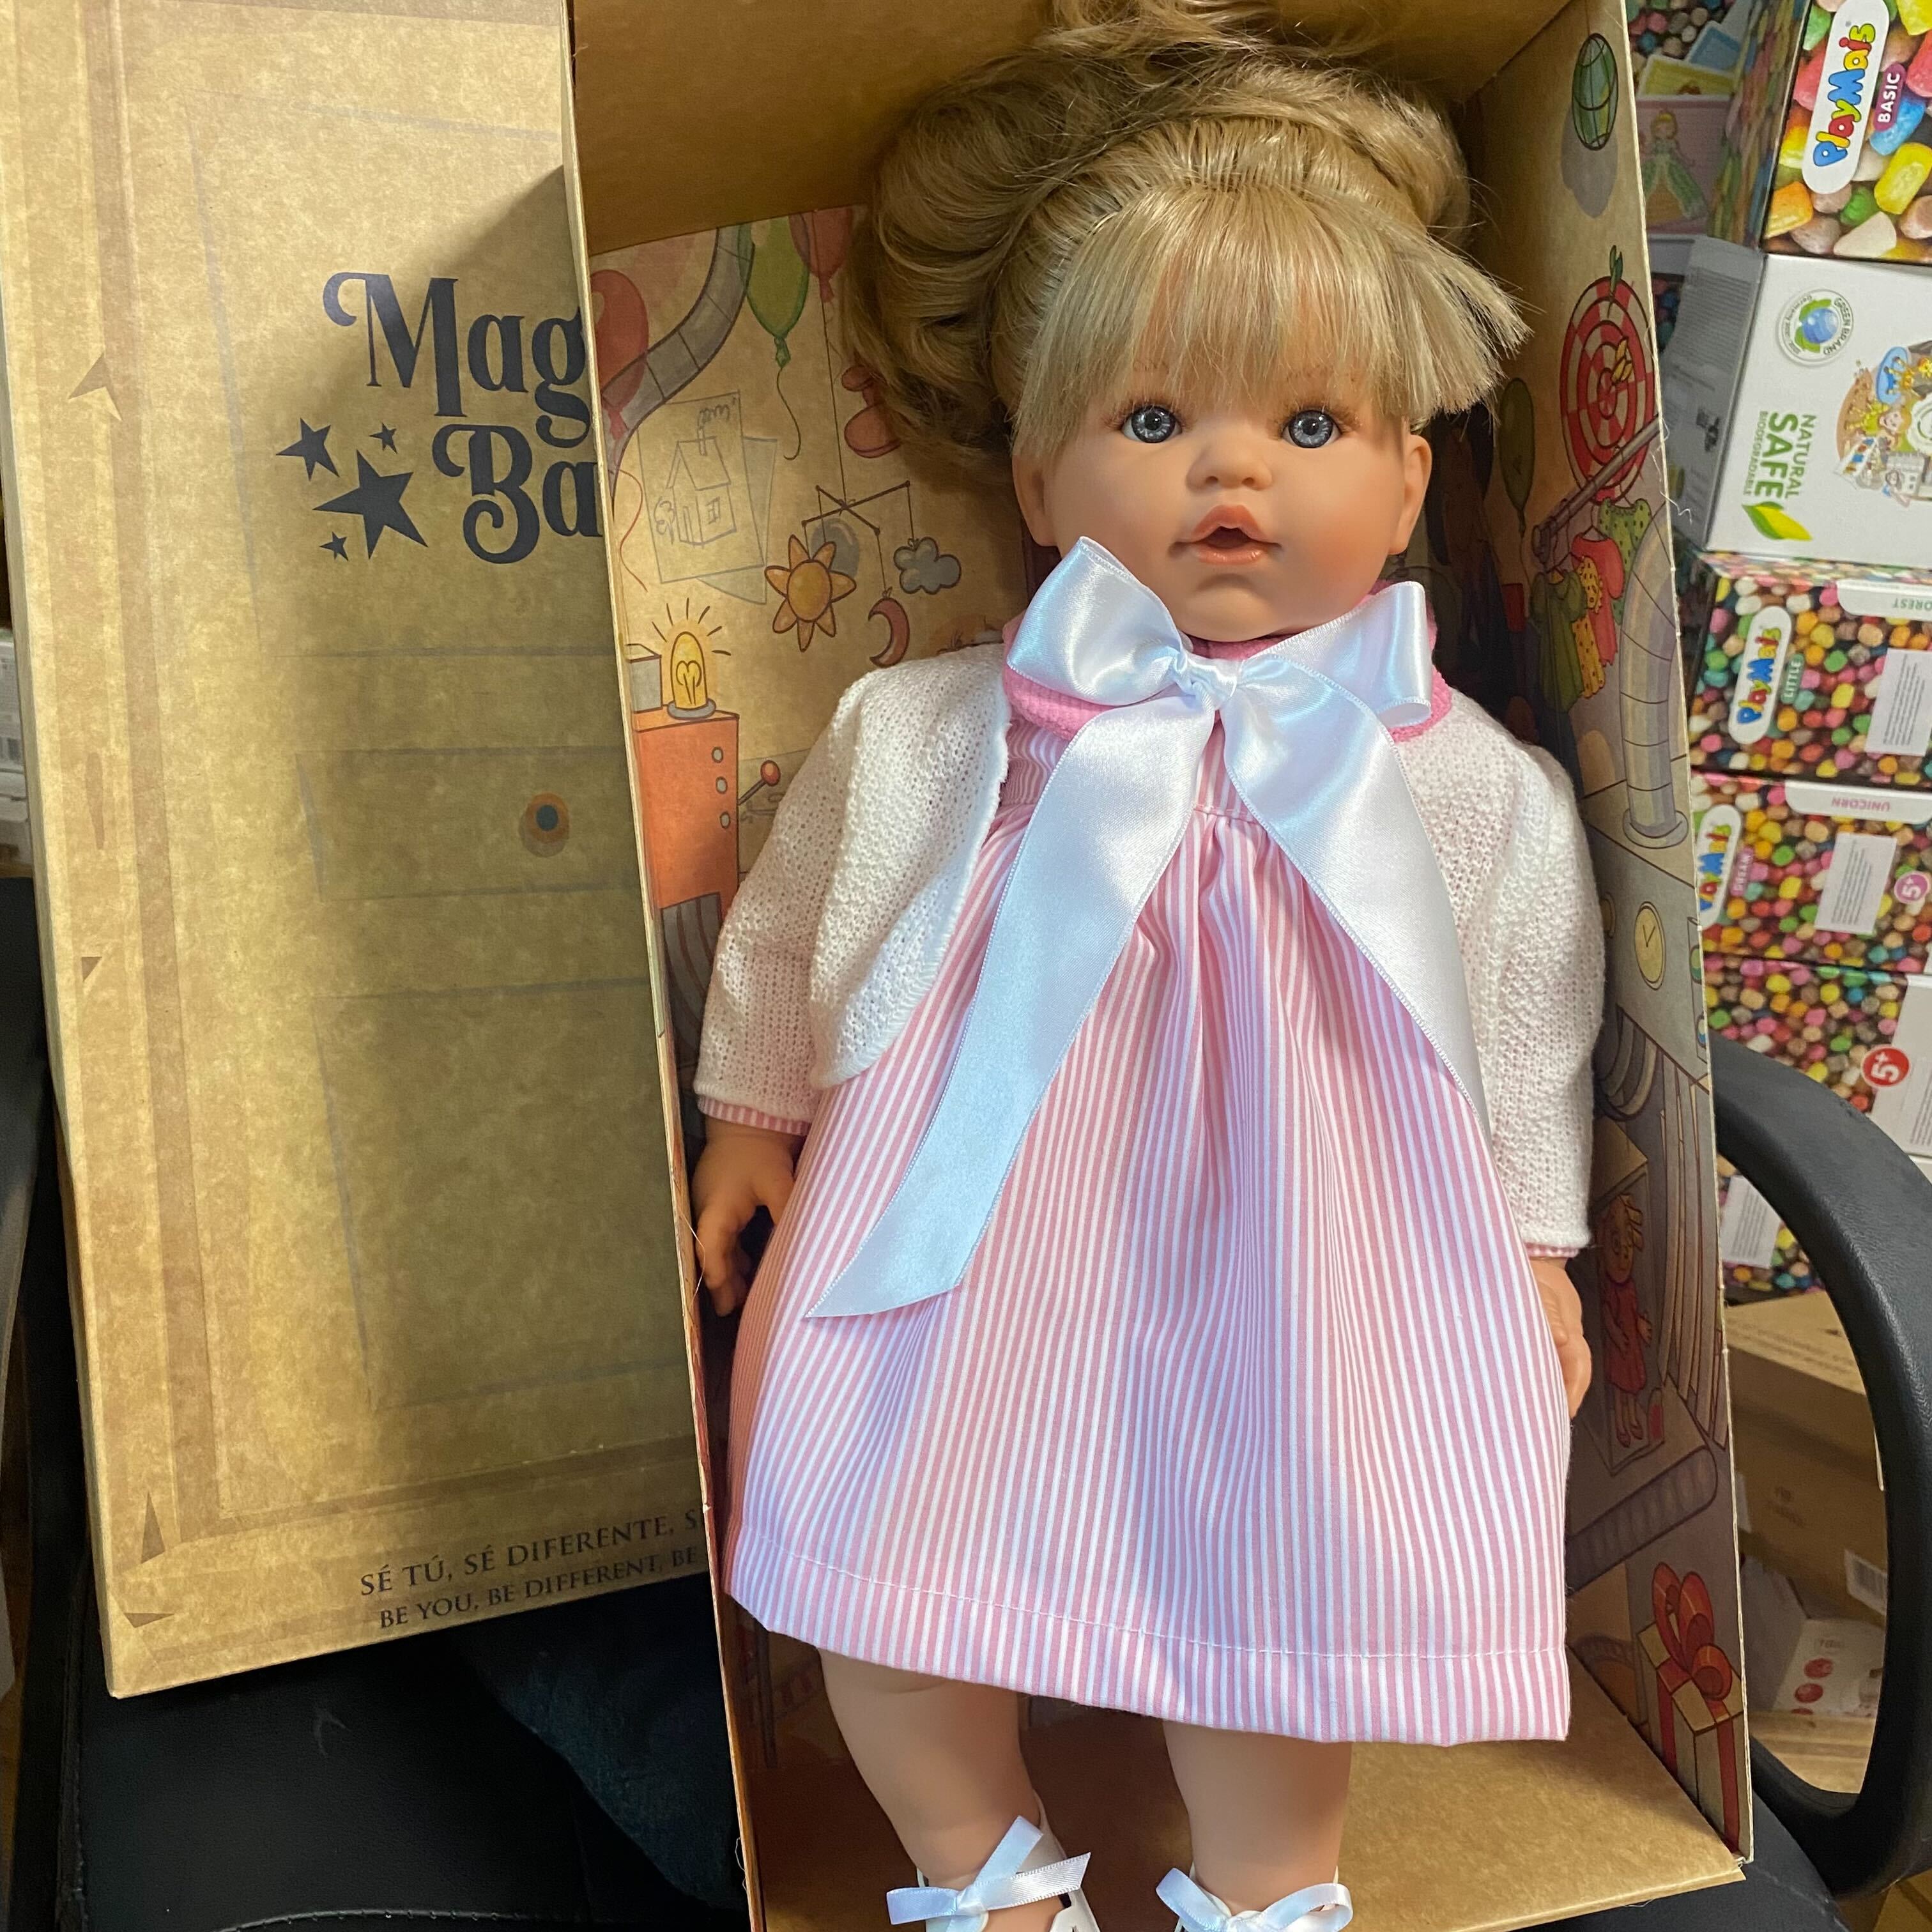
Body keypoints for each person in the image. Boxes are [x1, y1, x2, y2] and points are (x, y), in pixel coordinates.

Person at [691, 4, 1604, 1926]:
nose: (1228, 473)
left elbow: (1526, 1013)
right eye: (1155, 421)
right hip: (973, 1217)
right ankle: (979, 1865)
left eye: (1310, 426)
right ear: (1038, 486)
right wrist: (755, 1114)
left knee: (1281, 1559)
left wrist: (1532, 1241)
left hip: (1315, 1234)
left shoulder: (1452, 780)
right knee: (889, 1542)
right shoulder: (938, 726)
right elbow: (803, 915)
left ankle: (1271, 1885)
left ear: (1412, 484)